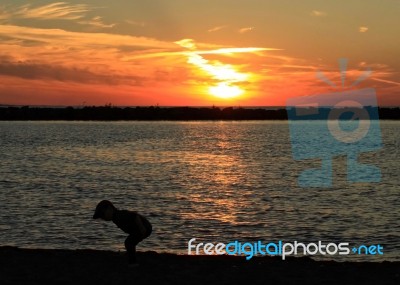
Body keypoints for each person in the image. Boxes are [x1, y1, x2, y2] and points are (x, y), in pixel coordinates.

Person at [93, 200, 152, 265]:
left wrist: (142, 228)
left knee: (129, 243)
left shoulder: (119, 215)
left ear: (110, 209)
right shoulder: (115, 218)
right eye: (101, 217)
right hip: (138, 229)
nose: (103, 218)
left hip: (144, 227)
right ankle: (130, 255)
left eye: (103, 215)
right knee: (130, 243)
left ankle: (133, 263)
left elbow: (135, 216)